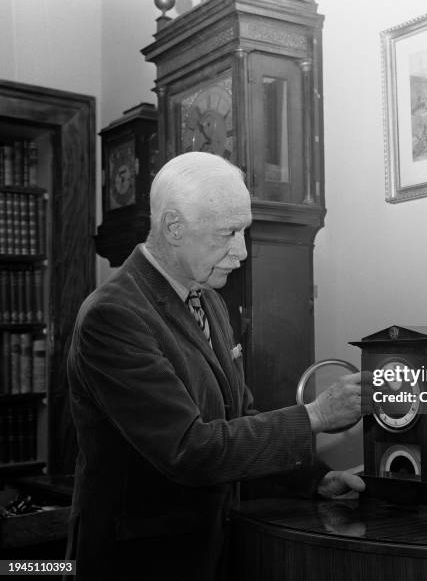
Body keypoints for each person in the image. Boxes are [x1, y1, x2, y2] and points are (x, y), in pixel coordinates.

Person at [65, 152, 370, 580]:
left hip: (210, 551)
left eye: (243, 231)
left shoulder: (208, 299)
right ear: (174, 228)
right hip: (139, 562)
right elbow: (190, 450)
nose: (241, 252)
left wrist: (313, 481)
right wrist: (316, 415)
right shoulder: (112, 316)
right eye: (227, 233)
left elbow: (237, 419)